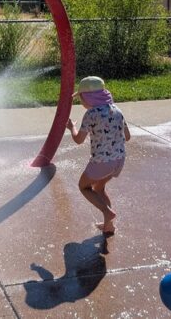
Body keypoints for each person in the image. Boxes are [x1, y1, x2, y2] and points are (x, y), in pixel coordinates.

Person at [66, 76, 131, 235]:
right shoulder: (117, 110)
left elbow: (78, 140)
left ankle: (107, 212)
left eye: (80, 98)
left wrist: (71, 128)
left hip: (102, 162)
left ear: (87, 97)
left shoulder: (91, 114)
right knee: (99, 188)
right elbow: (127, 137)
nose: (80, 101)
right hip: (119, 160)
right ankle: (109, 225)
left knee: (84, 187)